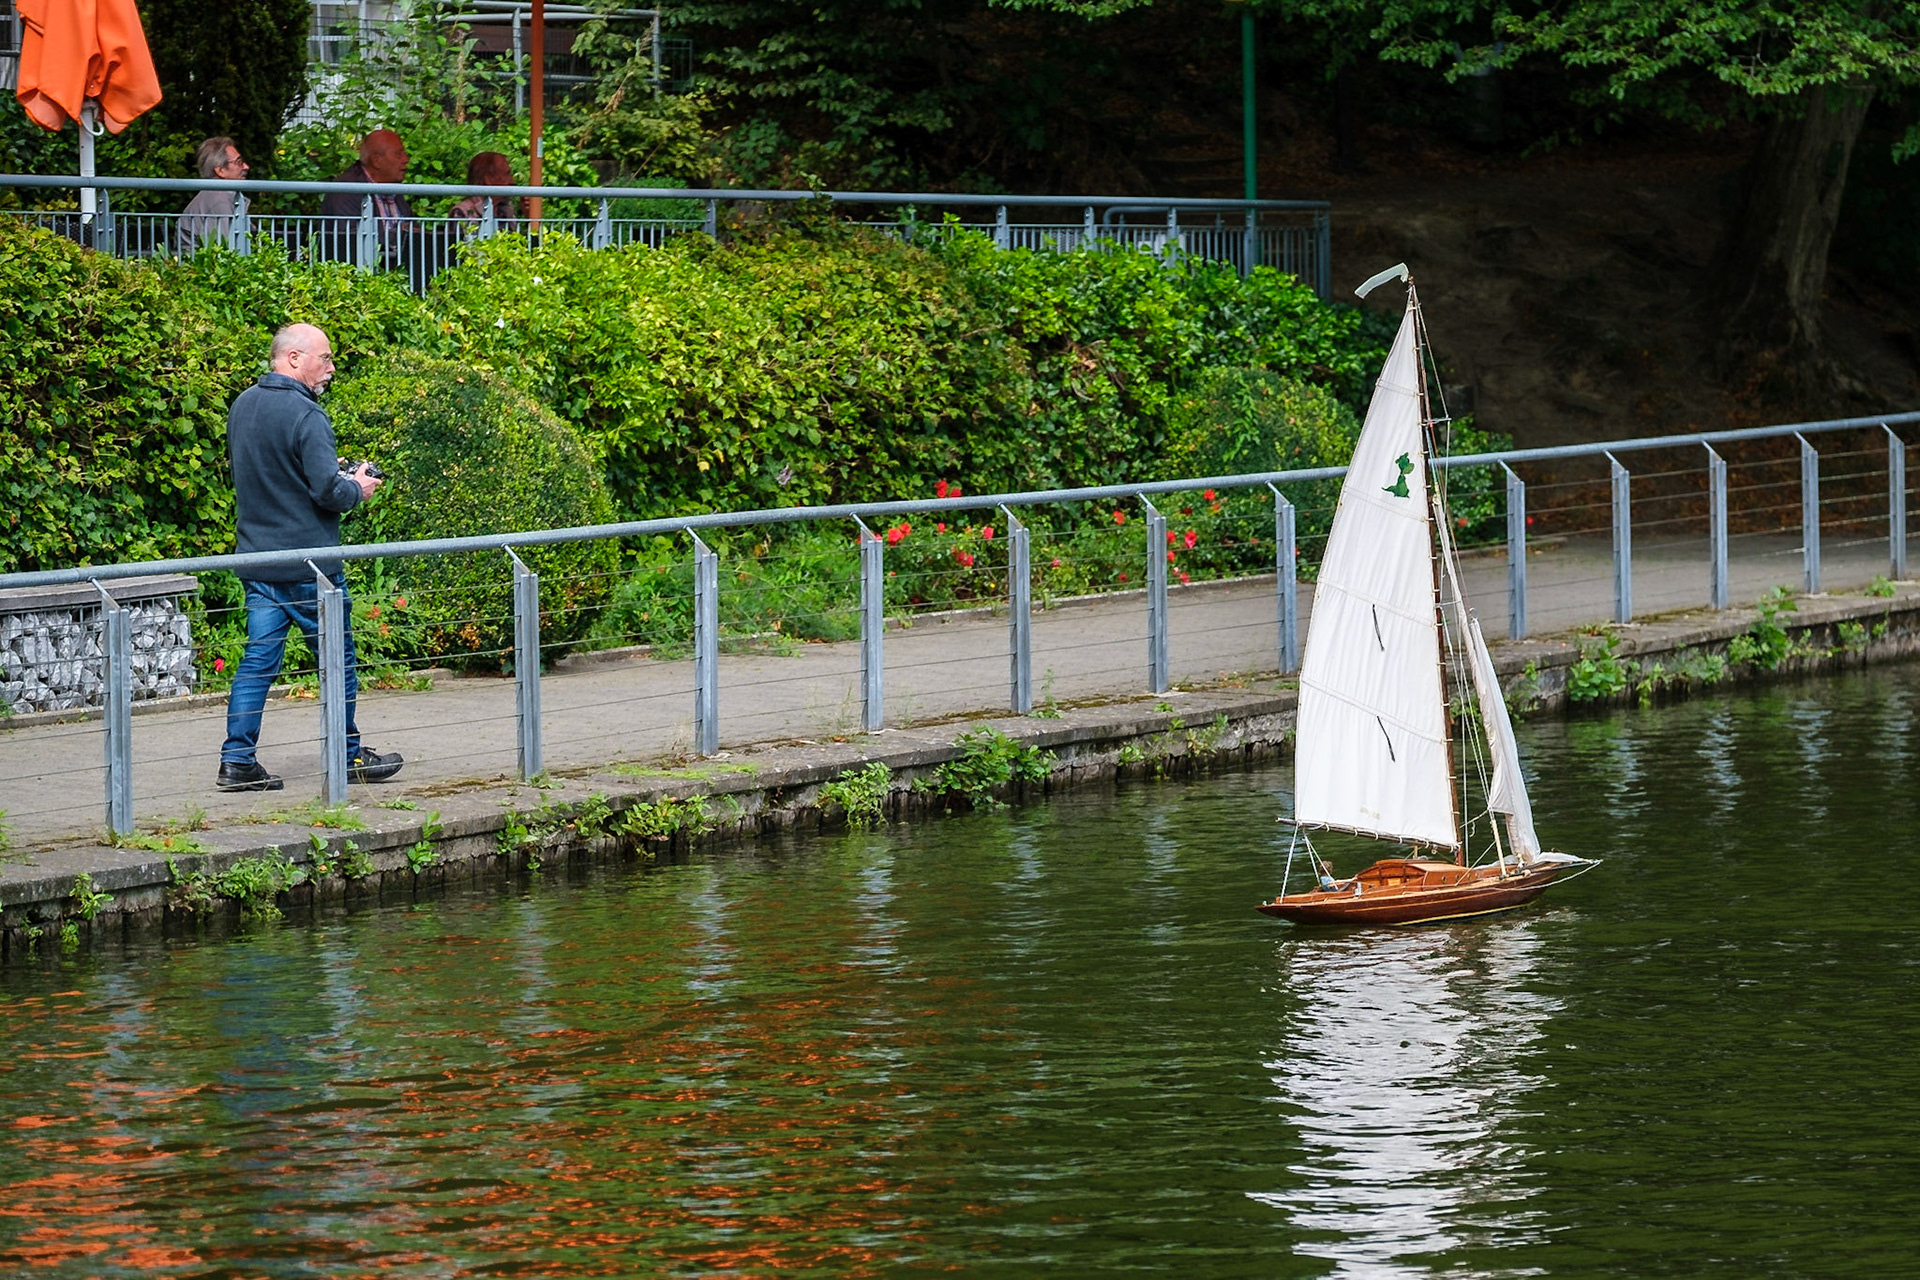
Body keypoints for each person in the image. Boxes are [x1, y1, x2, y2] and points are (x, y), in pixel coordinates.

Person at [217, 323, 403, 792]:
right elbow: (327, 492)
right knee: (337, 661)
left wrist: (334, 478)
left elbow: (270, 479)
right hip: (311, 569)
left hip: (257, 561)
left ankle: (236, 761)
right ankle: (347, 756)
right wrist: (356, 486)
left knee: (257, 662)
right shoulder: (307, 415)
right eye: (325, 357)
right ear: (294, 358)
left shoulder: (242, 406)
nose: (332, 367)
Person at [177, 136, 247, 255]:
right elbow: (224, 252)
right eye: (238, 162)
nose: (245, 166)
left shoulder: (218, 196)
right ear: (220, 171)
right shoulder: (218, 201)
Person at [448, 151, 522, 227]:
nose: (512, 181)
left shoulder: (506, 211)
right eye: (507, 174)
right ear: (488, 179)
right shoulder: (461, 212)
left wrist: (528, 214)